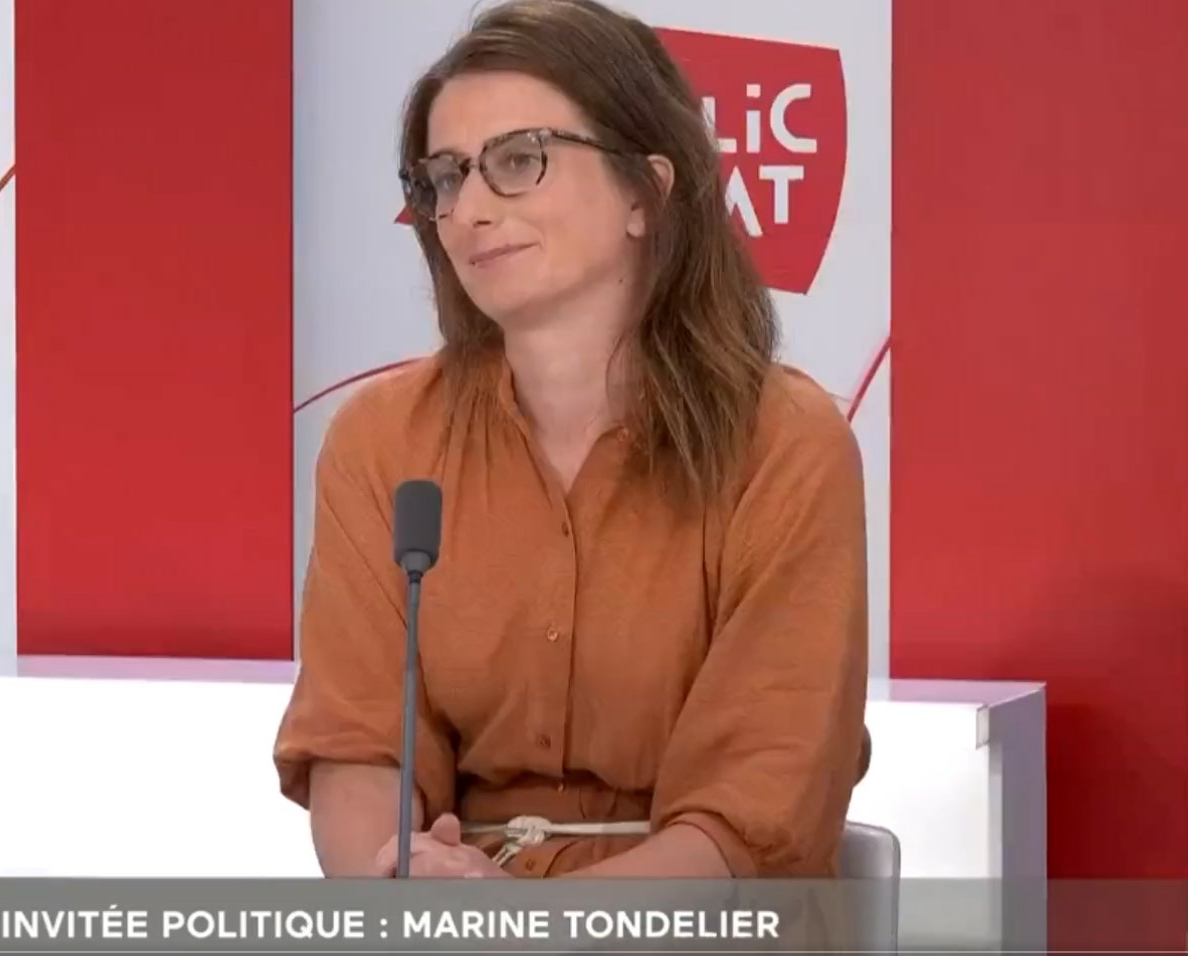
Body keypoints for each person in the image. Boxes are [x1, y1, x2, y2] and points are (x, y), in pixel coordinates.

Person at [274, 0, 870, 881]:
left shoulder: (785, 445)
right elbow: (357, 744)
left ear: (644, 191)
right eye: (444, 177)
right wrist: (394, 892)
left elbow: (752, 817)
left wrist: (525, 930)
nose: (468, 210)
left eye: (519, 160)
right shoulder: (381, 441)